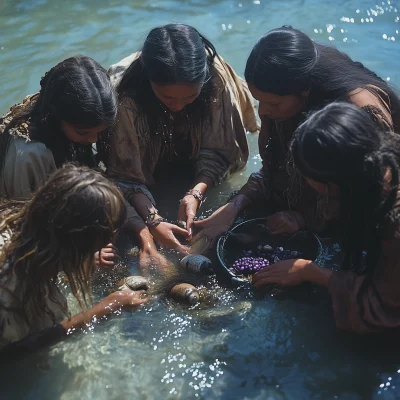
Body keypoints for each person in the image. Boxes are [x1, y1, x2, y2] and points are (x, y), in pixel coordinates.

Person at [193, 26, 400, 245]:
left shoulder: (359, 112)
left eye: (273, 103)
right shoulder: (282, 102)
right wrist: (236, 204)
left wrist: (304, 219)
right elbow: (273, 173)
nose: (262, 112)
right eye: (258, 100)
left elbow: (373, 195)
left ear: (304, 91)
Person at [106, 23, 259, 265]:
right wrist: (153, 220)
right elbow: (125, 174)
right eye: (167, 97)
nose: (177, 106)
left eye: (190, 97)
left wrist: (196, 193)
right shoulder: (124, 95)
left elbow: (221, 152)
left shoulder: (216, 82)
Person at [253, 103, 400, 334]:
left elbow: (386, 310)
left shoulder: (395, 224)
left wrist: (313, 273)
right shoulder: (380, 167)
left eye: (307, 177)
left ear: (332, 182)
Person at [0, 164, 148, 352]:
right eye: (100, 240)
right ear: (73, 242)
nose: (106, 245)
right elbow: (13, 351)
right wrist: (107, 307)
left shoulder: (22, 223)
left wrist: (84, 258)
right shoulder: (9, 283)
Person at [0, 55, 120, 266]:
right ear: (58, 117)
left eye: (100, 132)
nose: (93, 140)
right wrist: (78, 256)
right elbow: (26, 227)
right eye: (83, 132)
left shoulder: (47, 105)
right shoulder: (30, 154)